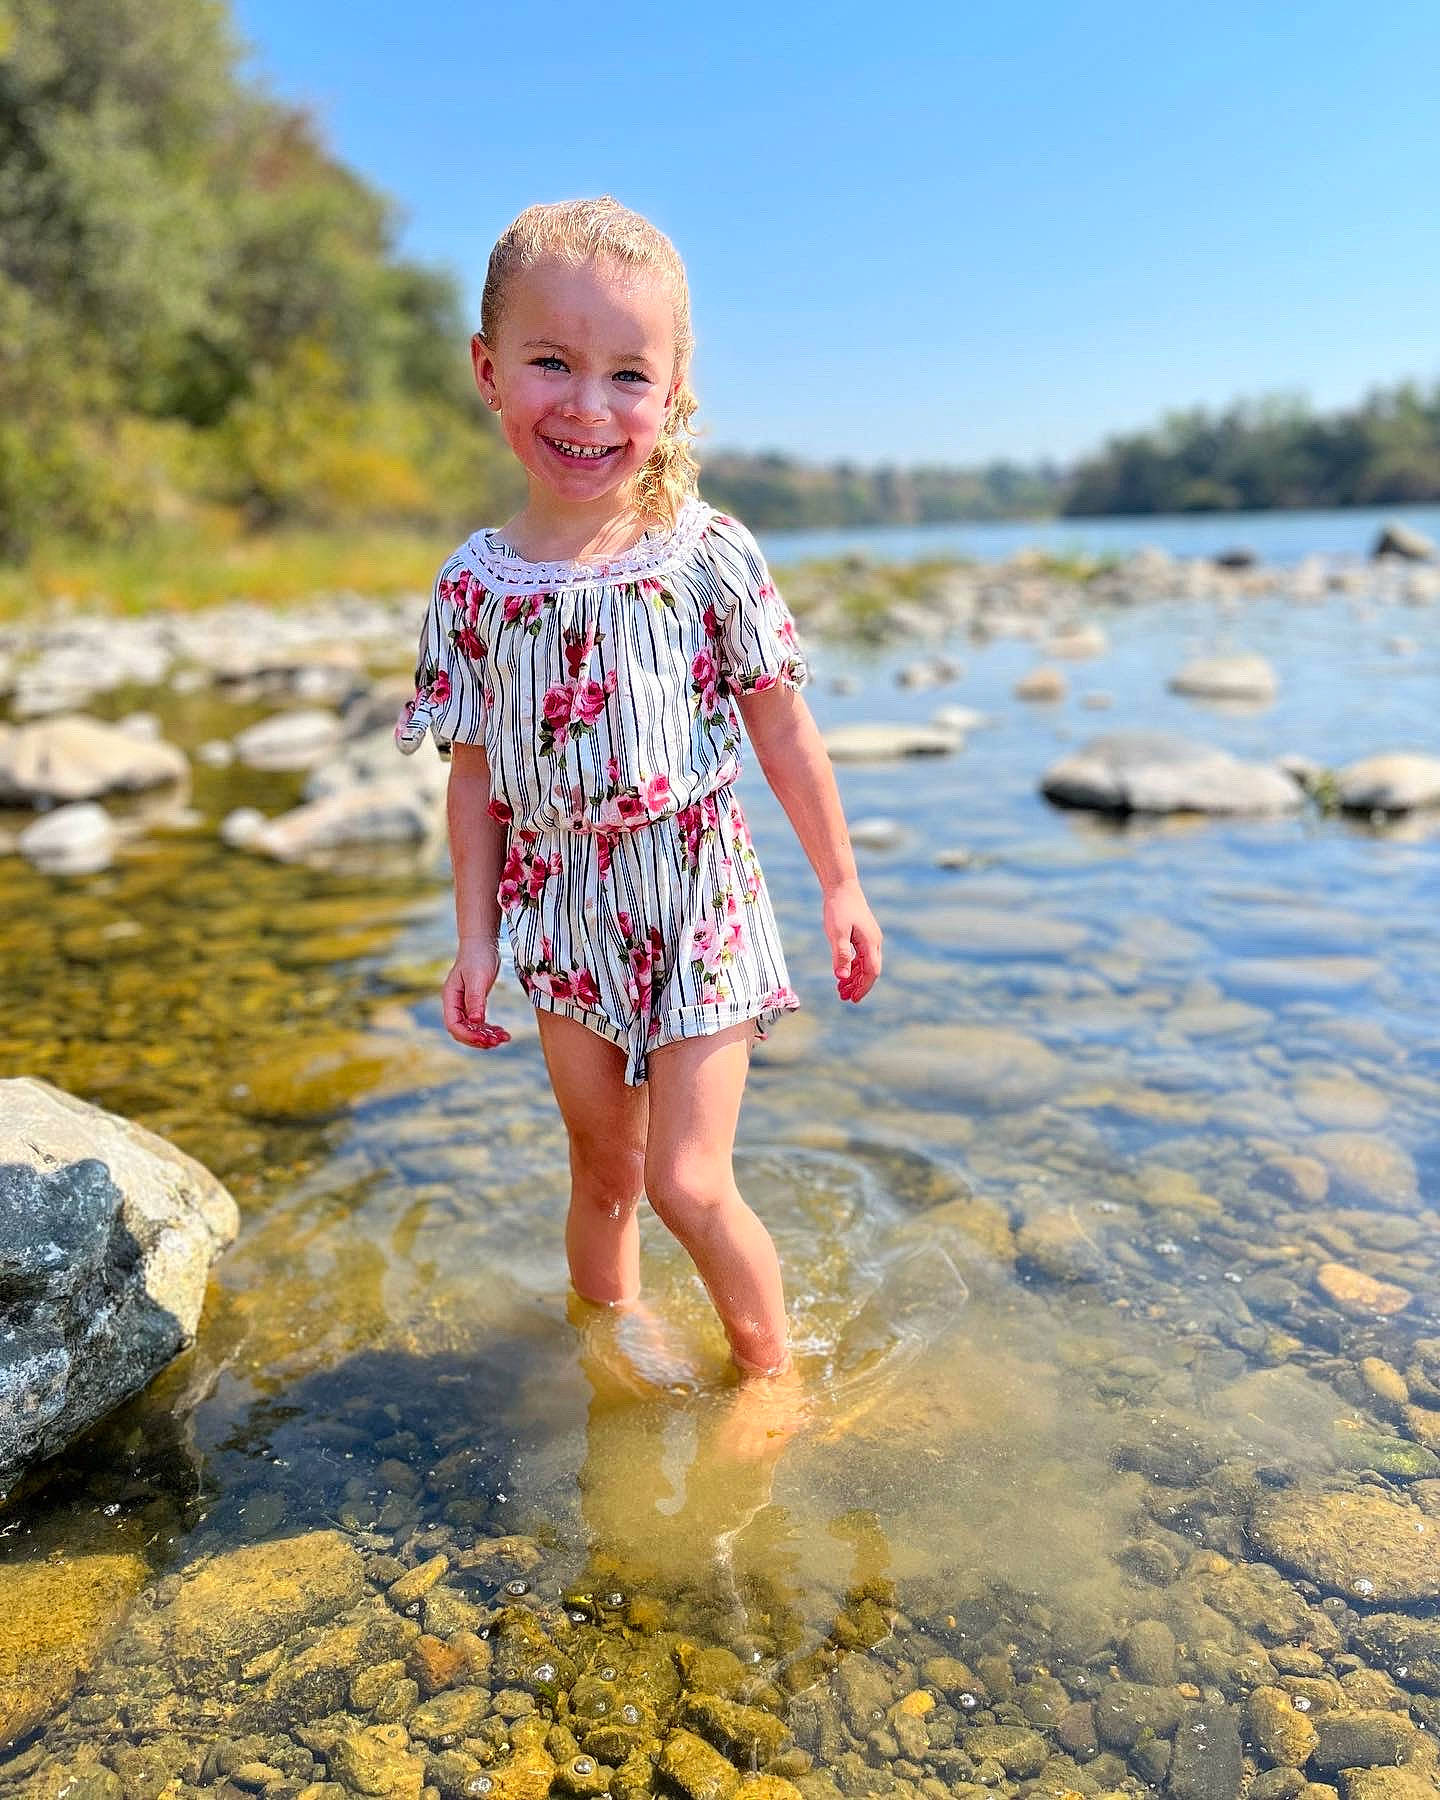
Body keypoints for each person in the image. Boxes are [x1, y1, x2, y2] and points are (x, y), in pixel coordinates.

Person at [395, 197, 881, 1381]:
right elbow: (476, 778)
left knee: (686, 1179)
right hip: (558, 906)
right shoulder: (477, 586)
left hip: (697, 888)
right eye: (551, 362)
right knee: (606, 1178)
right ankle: (616, 1358)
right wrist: (475, 939)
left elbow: (782, 727)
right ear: (488, 371)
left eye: (627, 373)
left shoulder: (704, 552)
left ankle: (770, 1378)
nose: (587, 404)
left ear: (673, 391)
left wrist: (841, 886)